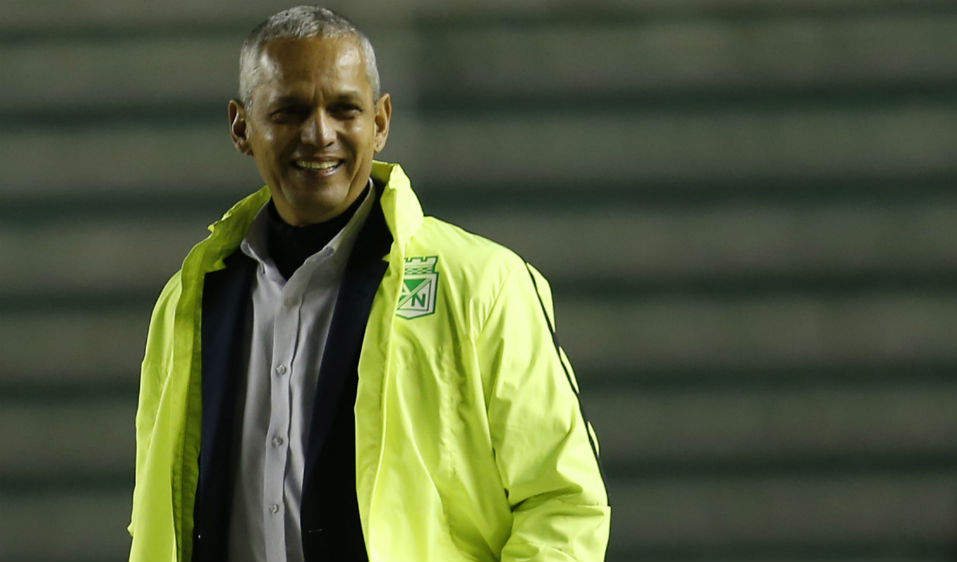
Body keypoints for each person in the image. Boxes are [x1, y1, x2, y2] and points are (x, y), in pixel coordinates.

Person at [127, 6, 610, 562]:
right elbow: (155, 520)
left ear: (380, 123)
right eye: (288, 111)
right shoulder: (191, 301)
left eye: (344, 109)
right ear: (242, 127)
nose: (319, 134)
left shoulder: (483, 286)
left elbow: (565, 503)